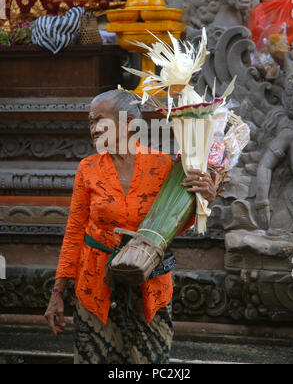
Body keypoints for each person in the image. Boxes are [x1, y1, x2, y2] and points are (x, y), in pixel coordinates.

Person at [44, 89, 216, 364]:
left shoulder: (163, 165)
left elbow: (175, 222)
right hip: (94, 287)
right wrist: (57, 293)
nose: (92, 129)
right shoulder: (87, 168)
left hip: (149, 285)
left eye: (98, 120)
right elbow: (74, 232)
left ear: (127, 123)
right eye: (89, 122)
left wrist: (204, 198)